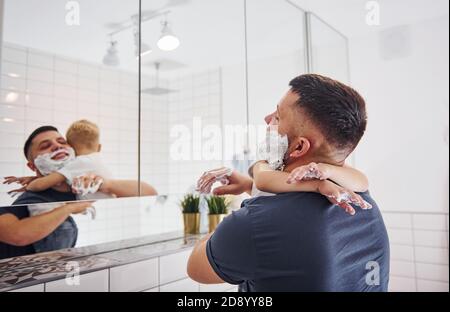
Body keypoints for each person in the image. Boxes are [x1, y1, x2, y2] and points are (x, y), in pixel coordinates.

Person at [188, 74, 390, 292]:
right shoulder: (365, 206)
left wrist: (249, 210)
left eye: (278, 117)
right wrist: (250, 186)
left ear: (299, 148)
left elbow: (196, 268)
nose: (267, 119)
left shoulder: (256, 225)